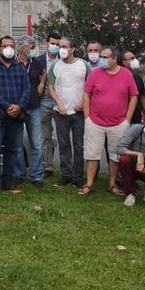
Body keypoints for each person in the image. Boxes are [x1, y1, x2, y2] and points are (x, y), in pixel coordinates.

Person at [79, 46, 139, 197]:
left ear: (114, 59)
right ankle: (89, 183)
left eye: (106, 57)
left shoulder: (126, 74)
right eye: (102, 56)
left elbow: (134, 96)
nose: (102, 59)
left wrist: (127, 119)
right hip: (95, 121)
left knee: (115, 155)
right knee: (92, 154)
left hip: (119, 123)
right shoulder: (96, 73)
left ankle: (112, 184)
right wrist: (87, 116)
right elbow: (87, 94)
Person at [0, 36, 30, 195]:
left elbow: (26, 90)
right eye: (5, 46)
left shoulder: (20, 68)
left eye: (11, 46)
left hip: (16, 115)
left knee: (14, 148)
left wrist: (19, 106)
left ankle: (8, 180)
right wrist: (8, 106)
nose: (8, 48)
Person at [49, 38, 87, 188]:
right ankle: (66, 175)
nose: (61, 49)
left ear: (73, 49)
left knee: (79, 145)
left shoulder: (83, 65)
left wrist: (82, 103)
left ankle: (78, 177)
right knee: (64, 145)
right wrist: (59, 104)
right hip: (60, 112)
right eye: (60, 46)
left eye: (64, 46)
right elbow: (50, 87)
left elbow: (90, 86)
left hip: (78, 112)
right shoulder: (55, 66)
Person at [14, 37, 45, 187]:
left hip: (34, 107)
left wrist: (42, 84)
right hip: (18, 108)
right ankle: (18, 174)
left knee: (37, 144)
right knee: (17, 144)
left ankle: (36, 175)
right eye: (31, 47)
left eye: (34, 47)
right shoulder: (13, 63)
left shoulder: (36, 63)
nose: (34, 49)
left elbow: (43, 73)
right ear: (22, 49)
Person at [36, 32, 61, 178]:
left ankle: (66, 168)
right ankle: (48, 166)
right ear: (47, 44)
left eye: (58, 44)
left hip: (59, 99)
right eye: (52, 43)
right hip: (43, 99)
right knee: (45, 134)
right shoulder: (38, 60)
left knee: (63, 134)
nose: (55, 47)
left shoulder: (64, 60)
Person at [121, 50, 145, 125]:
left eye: (134, 58)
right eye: (131, 58)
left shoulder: (137, 78)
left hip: (136, 115)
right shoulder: (118, 78)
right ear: (124, 62)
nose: (135, 60)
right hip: (121, 116)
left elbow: (142, 96)